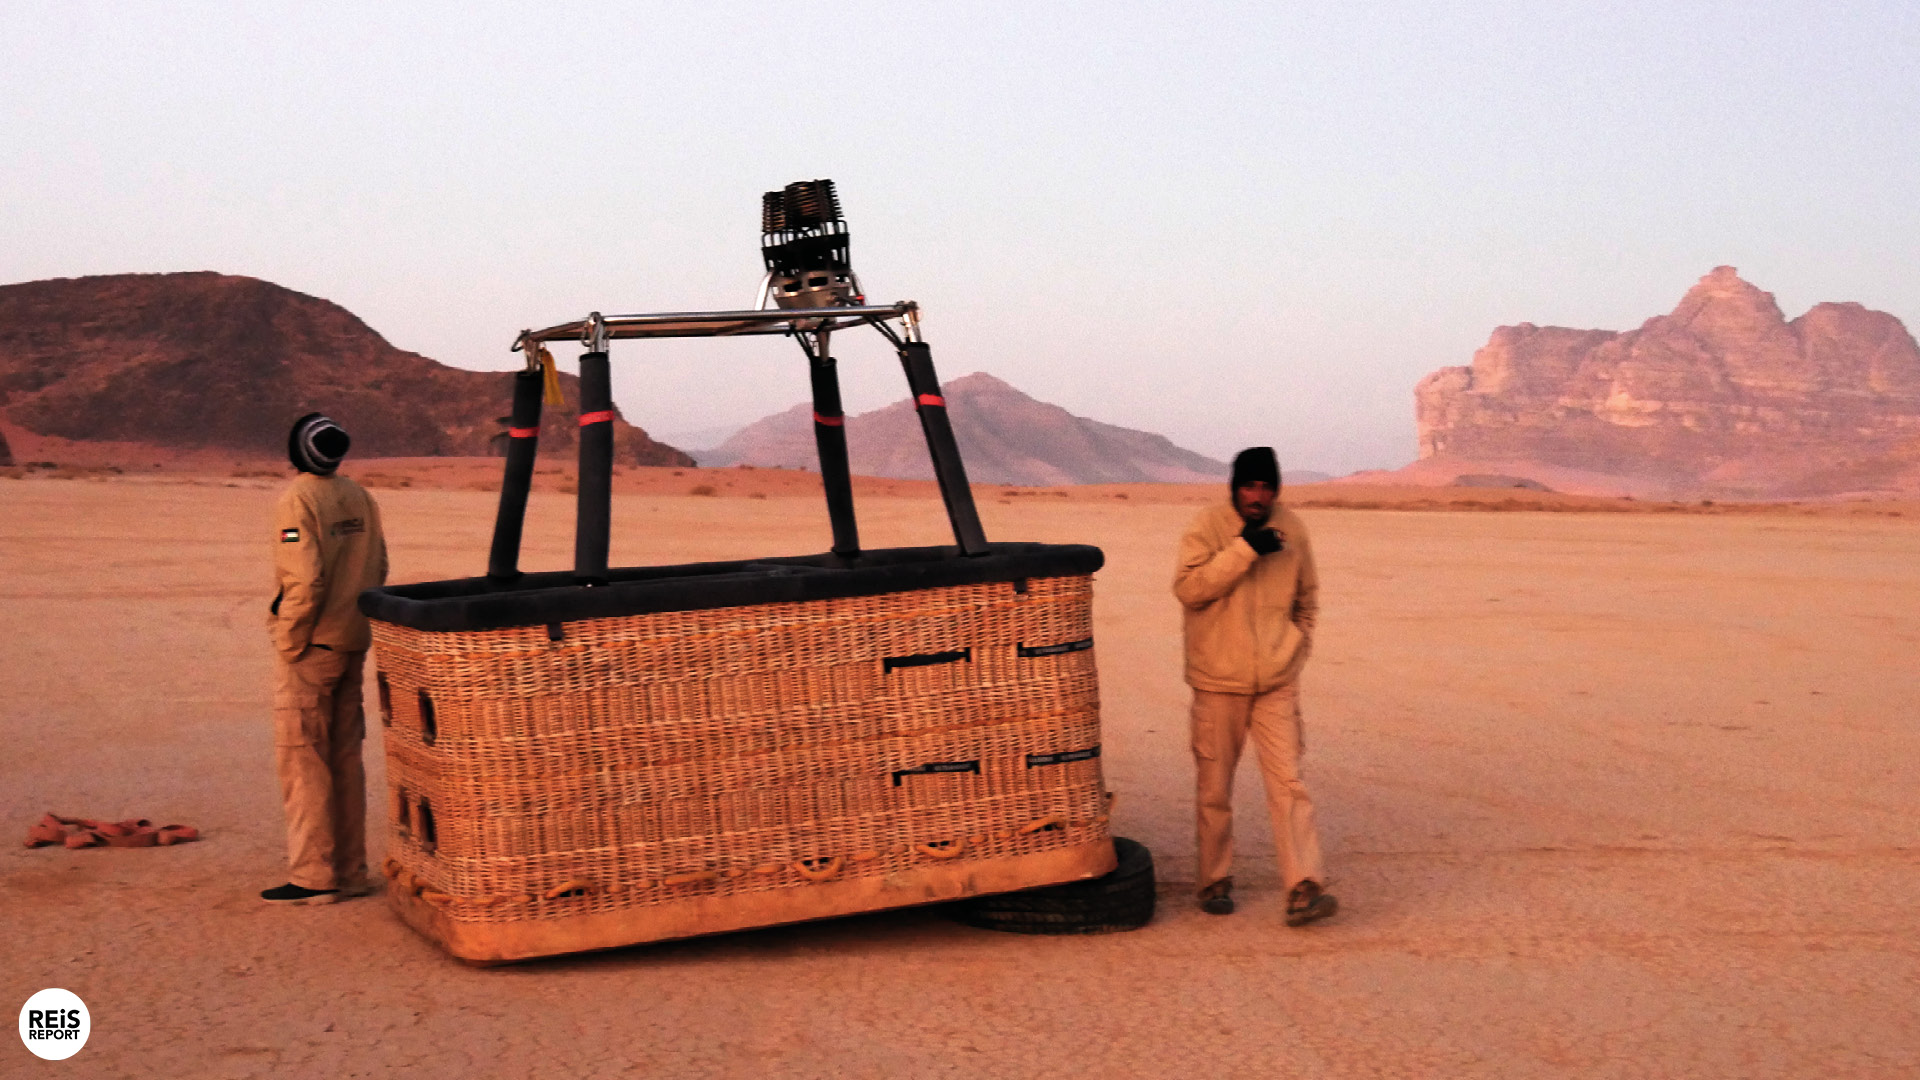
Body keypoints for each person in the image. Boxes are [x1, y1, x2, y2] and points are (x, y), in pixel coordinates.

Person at [1172, 446, 1336, 925]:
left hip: (1276, 682)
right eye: (1249, 486)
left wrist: (1296, 647)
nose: (1257, 497)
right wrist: (1244, 549)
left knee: (1288, 783)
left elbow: (1307, 599)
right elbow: (1190, 590)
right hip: (1217, 681)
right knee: (1215, 787)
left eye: (1266, 487)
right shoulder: (1207, 527)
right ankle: (1214, 880)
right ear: (1234, 487)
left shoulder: (1294, 530)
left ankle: (1304, 886)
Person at [260, 413, 388, 905]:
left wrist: (290, 639)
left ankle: (313, 876)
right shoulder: (359, 497)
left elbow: (305, 578)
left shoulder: (298, 500)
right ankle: (351, 870)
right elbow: (378, 563)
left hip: (314, 647)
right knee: (343, 758)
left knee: (303, 759)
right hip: (353, 639)